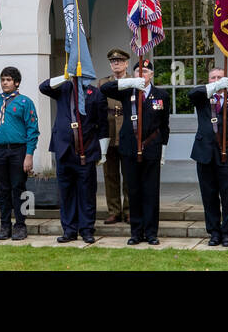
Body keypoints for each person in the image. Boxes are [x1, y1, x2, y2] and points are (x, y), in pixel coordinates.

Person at [100, 58, 171, 246]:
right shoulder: (127, 92)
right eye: (138, 71)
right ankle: (136, 233)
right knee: (134, 192)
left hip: (152, 149)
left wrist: (163, 148)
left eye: (146, 72)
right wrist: (130, 82)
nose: (142, 74)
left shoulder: (161, 95)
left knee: (151, 192)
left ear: (152, 74)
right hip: (129, 148)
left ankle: (151, 233)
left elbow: (164, 125)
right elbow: (105, 89)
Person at [39, 72, 107, 244]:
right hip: (63, 150)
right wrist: (64, 76)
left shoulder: (95, 93)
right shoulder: (63, 88)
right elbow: (43, 87)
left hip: (86, 151)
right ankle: (69, 230)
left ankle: (86, 230)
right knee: (66, 193)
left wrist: (103, 151)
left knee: (87, 193)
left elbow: (102, 125)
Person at [0, 66, 39, 241]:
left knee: (19, 188)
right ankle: (5, 225)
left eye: (8, 80)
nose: (5, 82)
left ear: (16, 83)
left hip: (18, 150)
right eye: (3, 79)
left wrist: (29, 154)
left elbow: (33, 130)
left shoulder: (25, 102)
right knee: (2, 190)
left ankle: (20, 225)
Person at [188, 68, 228, 246]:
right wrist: (214, 86)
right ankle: (214, 232)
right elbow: (191, 93)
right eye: (213, 78)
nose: (216, 80)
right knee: (209, 196)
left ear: (226, 80)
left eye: (220, 78)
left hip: (227, 155)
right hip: (204, 154)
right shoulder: (202, 98)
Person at [99, 48, 131, 224]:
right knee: (110, 175)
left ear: (126, 63)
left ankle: (129, 210)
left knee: (129, 174)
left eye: (119, 61)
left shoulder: (134, 81)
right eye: (113, 61)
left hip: (127, 130)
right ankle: (114, 210)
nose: (116, 64)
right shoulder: (103, 82)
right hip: (109, 131)